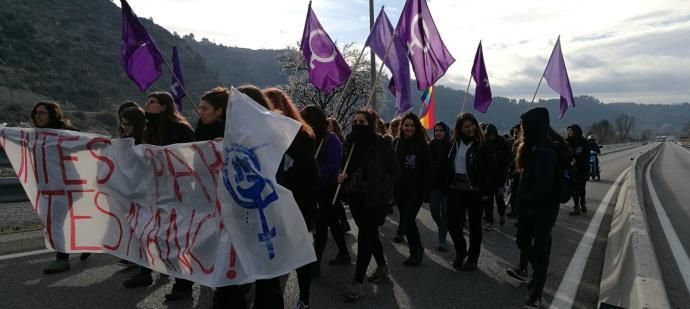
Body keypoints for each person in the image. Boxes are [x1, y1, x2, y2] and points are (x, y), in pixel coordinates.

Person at [213, 85, 283, 309]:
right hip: (236, 211)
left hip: (262, 210)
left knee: (265, 273)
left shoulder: (271, 132)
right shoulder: (230, 131)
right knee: (231, 269)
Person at [123, 92, 196, 301]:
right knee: (152, 233)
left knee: (178, 239)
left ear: (164, 106)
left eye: (152, 102)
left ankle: (183, 285)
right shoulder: (148, 130)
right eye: (147, 101)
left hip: (179, 194)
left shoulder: (180, 128)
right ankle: (146, 271)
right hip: (155, 192)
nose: (147, 104)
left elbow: (192, 157)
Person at [264, 87, 319, 309]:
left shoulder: (301, 136)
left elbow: (310, 175)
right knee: (271, 253)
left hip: (297, 205)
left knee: (299, 253)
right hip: (269, 206)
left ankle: (304, 298)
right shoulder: (260, 136)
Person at [337, 108, 400, 300]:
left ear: (371, 124)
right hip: (355, 196)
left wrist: (381, 188)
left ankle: (357, 283)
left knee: (365, 236)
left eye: (361, 122)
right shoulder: (350, 140)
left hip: (375, 199)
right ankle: (382, 266)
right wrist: (343, 175)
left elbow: (396, 173)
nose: (357, 125)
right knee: (370, 234)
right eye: (354, 122)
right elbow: (345, 163)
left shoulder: (382, 143)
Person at [33, 101, 91, 274]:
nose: (38, 115)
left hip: (67, 187)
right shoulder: (34, 135)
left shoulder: (65, 132)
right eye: (36, 112)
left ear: (52, 114)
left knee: (55, 222)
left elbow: (84, 142)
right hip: (49, 187)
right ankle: (85, 242)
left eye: (42, 112)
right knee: (61, 220)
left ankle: (62, 259)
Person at [512, 107, 562, 309]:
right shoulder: (533, 147)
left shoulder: (545, 152)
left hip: (542, 211)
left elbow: (544, 187)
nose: (522, 129)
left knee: (540, 252)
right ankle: (539, 273)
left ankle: (537, 293)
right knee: (522, 242)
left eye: (525, 125)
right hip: (529, 209)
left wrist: (523, 201)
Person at [301, 106, 351, 270]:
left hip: (328, 188)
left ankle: (315, 266)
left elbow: (334, 165)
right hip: (313, 188)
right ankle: (344, 252)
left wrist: (315, 173)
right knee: (332, 221)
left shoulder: (332, 140)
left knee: (322, 225)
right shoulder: (309, 138)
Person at [446, 112, 494, 271]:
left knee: (474, 226)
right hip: (456, 189)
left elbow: (490, 170)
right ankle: (461, 252)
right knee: (453, 224)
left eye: (472, 125)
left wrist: (487, 191)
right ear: (459, 129)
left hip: (475, 191)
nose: (471, 128)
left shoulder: (483, 145)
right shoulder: (454, 143)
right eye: (466, 126)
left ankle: (473, 258)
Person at [393, 112, 431, 265]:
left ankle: (417, 250)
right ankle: (414, 251)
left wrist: (426, 193)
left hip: (415, 190)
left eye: (412, 125)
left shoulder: (422, 145)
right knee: (406, 222)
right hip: (400, 190)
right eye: (406, 125)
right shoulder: (397, 143)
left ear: (416, 128)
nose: (408, 128)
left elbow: (427, 170)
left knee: (408, 221)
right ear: (402, 126)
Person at [482, 123, 512, 230]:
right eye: (488, 135)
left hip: (500, 176)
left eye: (492, 135)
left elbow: (509, 157)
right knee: (488, 200)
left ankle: (501, 215)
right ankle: (489, 222)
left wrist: (500, 159)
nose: (490, 137)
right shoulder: (485, 143)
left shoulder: (503, 142)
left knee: (499, 198)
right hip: (488, 177)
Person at [428, 122, 451, 251]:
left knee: (446, 213)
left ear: (445, 131)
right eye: (436, 130)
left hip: (448, 186)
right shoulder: (431, 145)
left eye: (441, 130)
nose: (438, 132)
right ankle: (442, 227)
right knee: (434, 211)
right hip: (434, 185)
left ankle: (441, 239)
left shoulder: (451, 145)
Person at [327, 117, 351, 232]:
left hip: (337, 173)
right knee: (335, 201)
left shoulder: (337, 140)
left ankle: (342, 222)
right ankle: (342, 222)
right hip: (334, 173)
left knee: (335, 201)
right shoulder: (326, 138)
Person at [565, 124, 590, 215]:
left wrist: (578, 162)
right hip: (571, 170)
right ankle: (576, 208)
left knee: (581, 188)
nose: (569, 132)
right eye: (568, 131)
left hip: (582, 170)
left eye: (571, 131)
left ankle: (583, 203)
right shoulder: (566, 142)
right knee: (574, 189)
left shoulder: (584, 142)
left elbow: (587, 156)